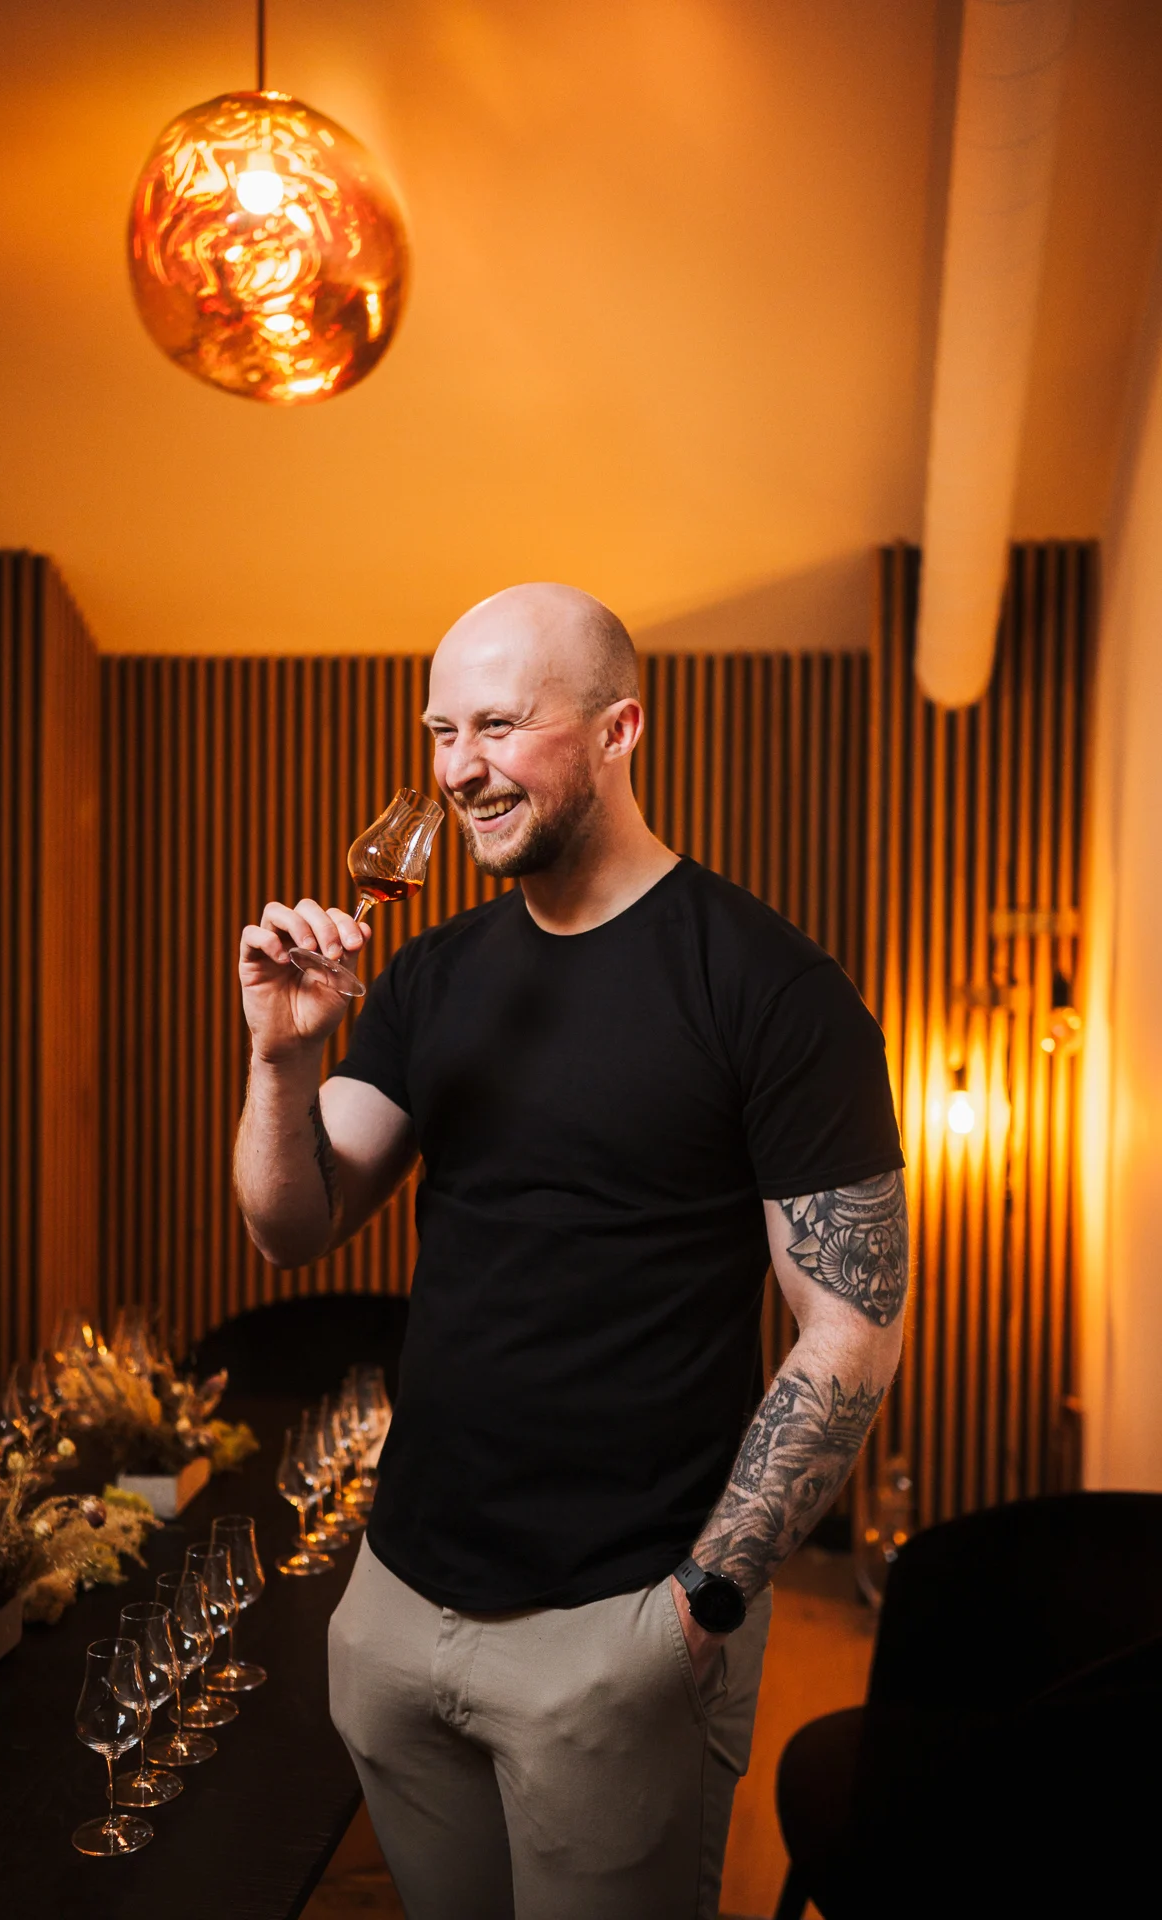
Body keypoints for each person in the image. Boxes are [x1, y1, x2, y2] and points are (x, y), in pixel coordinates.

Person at [234, 583, 908, 1920]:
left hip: (618, 1626)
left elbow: (853, 1328)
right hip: (398, 1602)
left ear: (620, 729)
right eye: (439, 730)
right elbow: (290, 1224)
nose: (457, 768)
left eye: (498, 724)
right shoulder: (431, 978)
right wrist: (279, 1056)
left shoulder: (771, 989)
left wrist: (706, 1600)